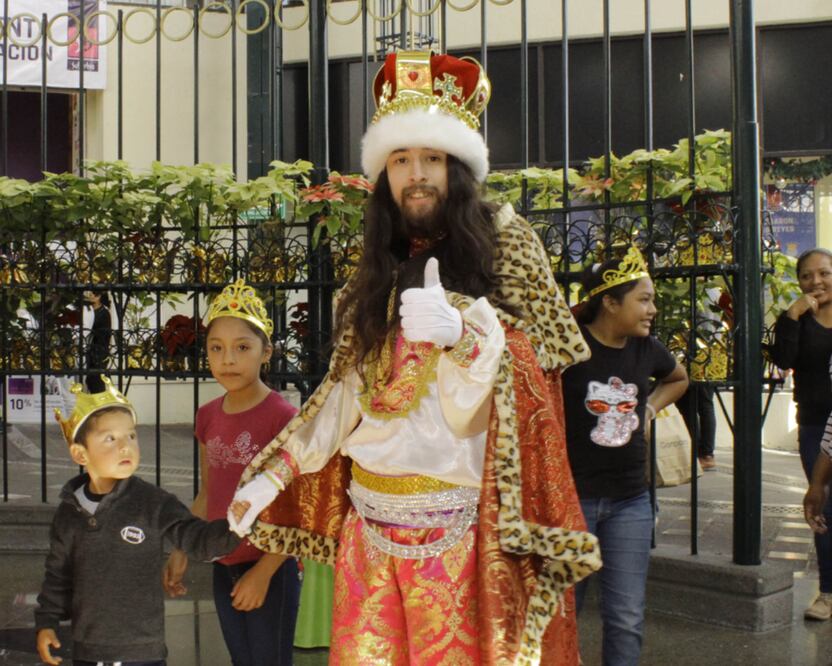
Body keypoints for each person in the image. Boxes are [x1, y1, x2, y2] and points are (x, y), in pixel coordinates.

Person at [226, 50, 601, 664]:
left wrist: (467, 336)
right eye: (401, 159)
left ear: (458, 166)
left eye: (432, 157)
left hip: (460, 531)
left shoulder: (509, 243)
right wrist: (275, 473)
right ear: (384, 173)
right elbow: (345, 391)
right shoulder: (374, 263)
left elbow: (537, 382)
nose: (417, 173)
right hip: (367, 528)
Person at [35, 376, 239, 666]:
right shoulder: (70, 513)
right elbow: (58, 574)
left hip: (143, 651)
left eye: (131, 435)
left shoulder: (153, 502)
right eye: (111, 438)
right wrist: (47, 622)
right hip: (88, 650)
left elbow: (196, 539)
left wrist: (239, 524)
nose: (126, 446)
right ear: (80, 453)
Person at [162, 279, 301, 665]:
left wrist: (265, 572)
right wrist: (182, 546)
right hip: (223, 561)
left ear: (266, 352)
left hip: (271, 565)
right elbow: (209, 494)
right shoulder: (207, 416)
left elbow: (298, 507)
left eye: (243, 347)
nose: (228, 360)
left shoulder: (283, 419)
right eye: (216, 348)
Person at [562, 248, 689, 666]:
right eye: (644, 299)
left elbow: (678, 378)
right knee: (563, 616)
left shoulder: (647, 348)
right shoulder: (569, 349)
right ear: (610, 302)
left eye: (652, 299)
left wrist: (650, 409)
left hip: (631, 502)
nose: (652, 309)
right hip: (572, 503)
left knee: (626, 617)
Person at [771, 247, 832, 621]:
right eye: (807, 276)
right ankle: (827, 593)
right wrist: (792, 315)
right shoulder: (796, 319)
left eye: (824, 273)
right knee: (823, 504)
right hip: (813, 423)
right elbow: (782, 361)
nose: (816, 281)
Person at [84, 290, 112, 393]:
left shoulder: (104, 312)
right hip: (88, 350)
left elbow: (104, 336)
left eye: (92, 294)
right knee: (89, 381)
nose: (89, 296)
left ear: (99, 296)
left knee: (96, 381)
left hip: (97, 352)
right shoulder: (88, 310)